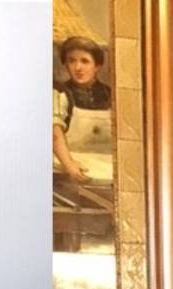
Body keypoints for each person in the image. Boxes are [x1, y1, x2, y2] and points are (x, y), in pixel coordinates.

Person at [53, 35, 113, 183]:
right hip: (69, 165)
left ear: (97, 66)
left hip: (105, 167)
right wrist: (69, 165)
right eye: (71, 61)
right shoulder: (59, 93)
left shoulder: (111, 94)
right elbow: (54, 131)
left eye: (85, 61)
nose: (78, 68)